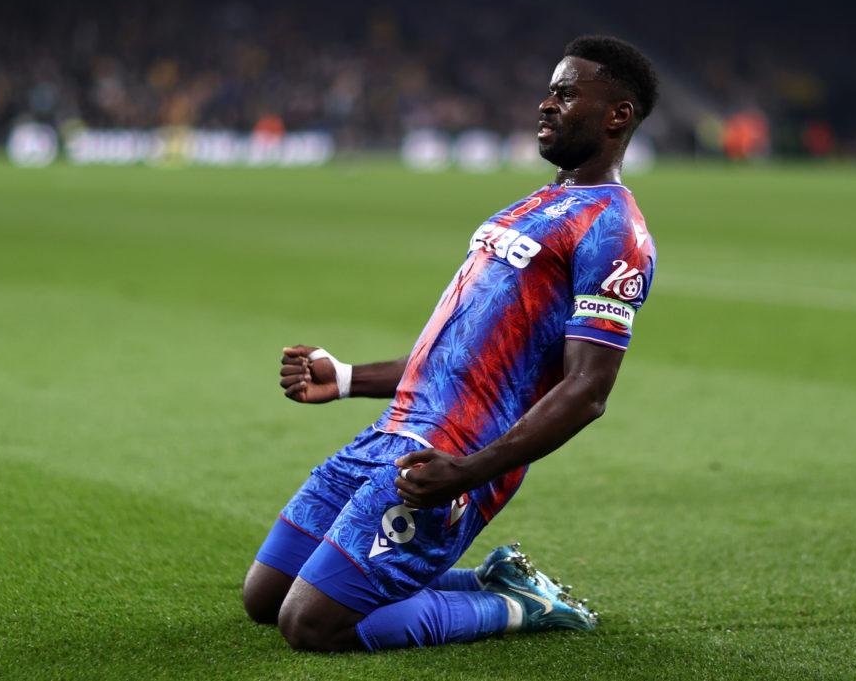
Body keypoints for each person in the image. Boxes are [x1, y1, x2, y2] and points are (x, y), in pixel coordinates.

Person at [243, 35, 660, 652]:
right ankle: (486, 578)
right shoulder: (536, 205)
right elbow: (457, 353)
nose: (546, 105)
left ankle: (511, 606)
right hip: (391, 431)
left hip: (451, 455)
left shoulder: (616, 232)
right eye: (549, 92)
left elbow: (587, 391)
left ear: (618, 115)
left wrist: (466, 473)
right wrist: (351, 378)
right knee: (265, 598)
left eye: (566, 95)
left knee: (309, 625)